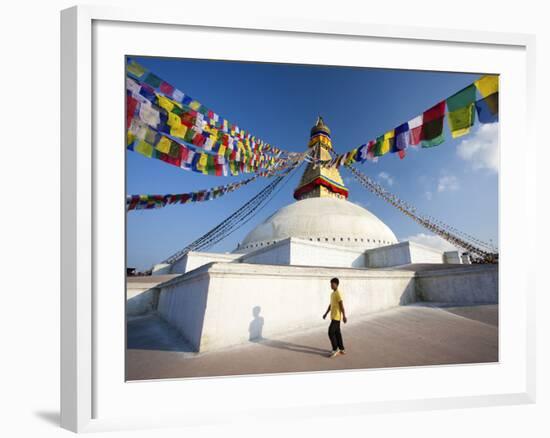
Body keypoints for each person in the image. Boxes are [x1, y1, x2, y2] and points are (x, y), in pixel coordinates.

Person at [322, 277, 347, 358]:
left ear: (336, 284)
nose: (331, 285)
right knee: (337, 333)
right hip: (333, 317)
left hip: (337, 317)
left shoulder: (338, 293)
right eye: (330, 284)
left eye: (332, 284)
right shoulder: (332, 294)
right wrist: (326, 313)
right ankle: (341, 349)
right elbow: (331, 305)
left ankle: (335, 349)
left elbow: (341, 305)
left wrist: (344, 316)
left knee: (330, 332)